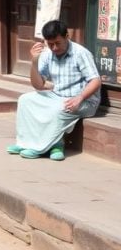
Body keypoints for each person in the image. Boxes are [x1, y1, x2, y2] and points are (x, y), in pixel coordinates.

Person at [7, 19, 101, 161]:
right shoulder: (47, 53)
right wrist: (34, 62)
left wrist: (80, 98)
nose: (55, 48)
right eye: (50, 44)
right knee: (25, 100)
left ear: (67, 37)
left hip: (85, 100)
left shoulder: (81, 53)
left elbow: (96, 81)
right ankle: (25, 143)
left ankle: (47, 147)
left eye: (58, 43)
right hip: (58, 95)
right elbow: (38, 85)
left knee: (57, 109)